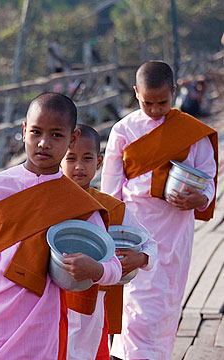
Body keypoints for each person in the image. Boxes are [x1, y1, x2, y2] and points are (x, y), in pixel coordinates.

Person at [0, 93, 122, 360]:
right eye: (36, 132)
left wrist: (95, 269)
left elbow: (114, 267)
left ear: (72, 139)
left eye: (56, 136)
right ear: (24, 131)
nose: (43, 143)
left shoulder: (77, 202)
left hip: (43, 327)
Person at [102, 61, 218, 360]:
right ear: (136, 93)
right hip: (133, 225)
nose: (154, 109)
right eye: (147, 103)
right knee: (135, 301)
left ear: (174, 92)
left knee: (164, 301)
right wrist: (109, 231)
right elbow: (111, 189)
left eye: (162, 102)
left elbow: (207, 178)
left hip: (174, 226)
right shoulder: (123, 130)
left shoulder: (191, 131)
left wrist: (198, 199)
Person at [60, 124, 156, 360]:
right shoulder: (44, 200)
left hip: (93, 306)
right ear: (59, 160)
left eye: (87, 158)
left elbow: (149, 244)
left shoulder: (110, 207)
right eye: (71, 158)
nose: (79, 166)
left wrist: (141, 258)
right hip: (52, 302)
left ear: (99, 162)